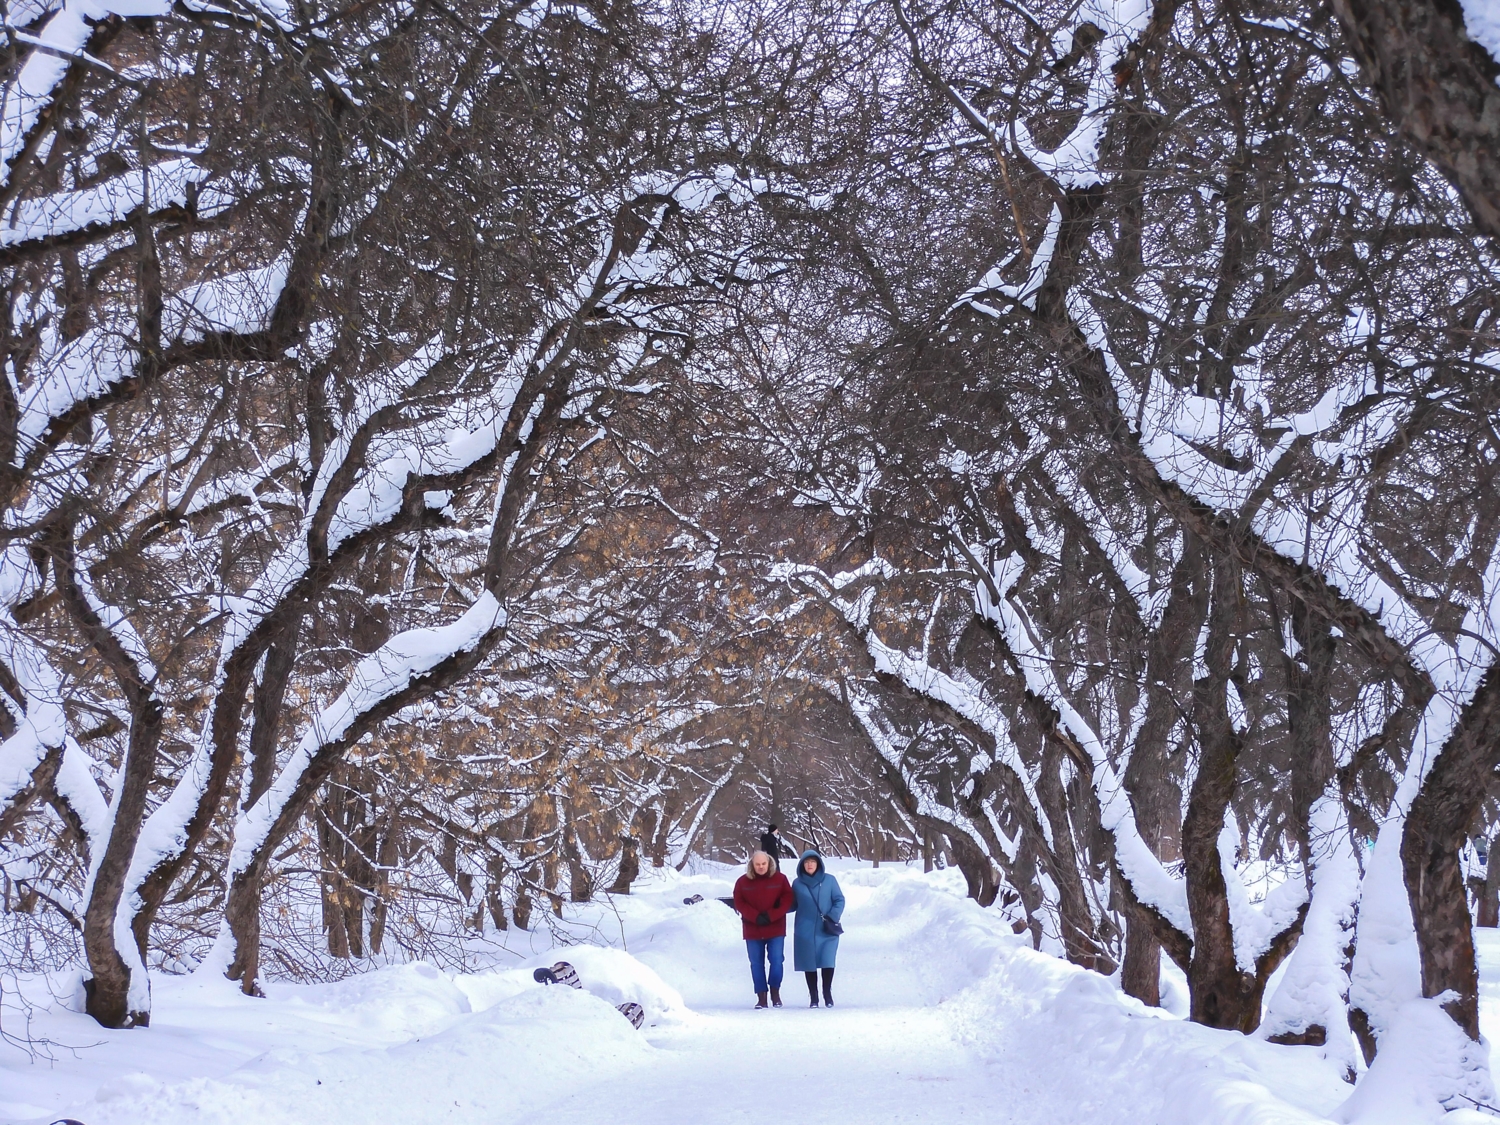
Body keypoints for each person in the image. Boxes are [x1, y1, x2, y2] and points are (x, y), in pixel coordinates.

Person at [732, 850, 794, 1009]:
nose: (761, 867)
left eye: (763, 864)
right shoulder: (742, 882)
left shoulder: (780, 879)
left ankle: (775, 992)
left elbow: (787, 899)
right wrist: (755, 916)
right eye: (757, 864)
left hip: (776, 927)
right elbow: (739, 902)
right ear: (752, 865)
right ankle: (761, 997)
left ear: (769, 863)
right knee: (756, 963)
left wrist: (771, 915)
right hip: (752, 928)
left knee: (777, 960)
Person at [791, 849, 844, 1007]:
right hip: (804, 929)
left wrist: (833, 915)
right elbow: (792, 904)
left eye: (813, 862)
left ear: (819, 864)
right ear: (802, 865)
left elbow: (839, 899)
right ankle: (813, 996)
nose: (809, 865)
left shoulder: (830, 880)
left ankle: (827, 993)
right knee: (809, 962)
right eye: (806, 862)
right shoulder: (797, 883)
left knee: (827, 960)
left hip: (826, 928)